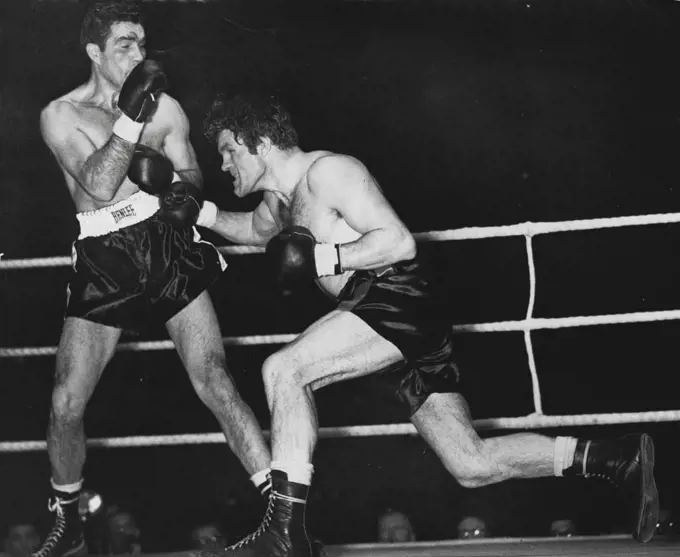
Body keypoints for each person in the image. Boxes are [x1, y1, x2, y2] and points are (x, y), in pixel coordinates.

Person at [193, 92, 658, 556]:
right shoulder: (279, 201)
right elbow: (256, 233)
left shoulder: (328, 172)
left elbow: (398, 242)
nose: (224, 164)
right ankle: (615, 458)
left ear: (262, 142)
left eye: (229, 150)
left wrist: (322, 257)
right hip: (385, 315)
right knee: (471, 463)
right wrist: (200, 214)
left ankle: (285, 532)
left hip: (396, 296)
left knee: (284, 370)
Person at [34, 4, 272, 557]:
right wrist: (130, 119)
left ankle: (282, 514)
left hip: (165, 240)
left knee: (214, 378)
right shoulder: (61, 114)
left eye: (142, 44)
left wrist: (179, 187)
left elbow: (189, 175)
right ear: (94, 52)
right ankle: (69, 519)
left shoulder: (167, 107)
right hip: (104, 251)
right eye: (124, 45)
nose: (139, 56)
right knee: (66, 402)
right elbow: (96, 184)